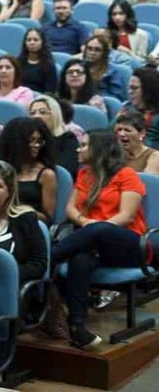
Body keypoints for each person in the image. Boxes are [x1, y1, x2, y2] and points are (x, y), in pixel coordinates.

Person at [52, 130, 148, 350]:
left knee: (100, 229)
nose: (78, 149)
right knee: (79, 259)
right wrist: (86, 223)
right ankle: (77, 327)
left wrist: (93, 227)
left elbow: (127, 216)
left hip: (129, 245)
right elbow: (70, 209)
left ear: (99, 149)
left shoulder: (127, 174)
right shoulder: (85, 173)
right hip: (94, 243)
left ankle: (49, 256)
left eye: (84, 145)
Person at [0, 161, 49, 286]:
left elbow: (38, 264)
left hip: (7, 287)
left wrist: (5, 274)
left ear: (9, 192)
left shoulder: (26, 219)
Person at [0, 117, 58, 222]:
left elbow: (47, 218)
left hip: (27, 225)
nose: (36, 145)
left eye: (39, 141)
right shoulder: (0, 169)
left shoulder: (46, 175)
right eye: (31, 141)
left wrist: (23, 210)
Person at [29, 96, 82, 178]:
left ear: (55, 115)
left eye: (42, 112)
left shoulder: (67, 139)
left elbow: (67, 170)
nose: (36, 116)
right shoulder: (26, 139)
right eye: (32, 113)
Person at [81, 34, 126, 102]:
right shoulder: (79, 67)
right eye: (89, 49)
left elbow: (115, 98)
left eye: (97, 50)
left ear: (104, 53)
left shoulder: (113, 71)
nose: (92, 53)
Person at [18, 28, 57, 95]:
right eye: (29, 40)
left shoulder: (49, 65)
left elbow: (50, 92)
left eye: (35, 40)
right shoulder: (18, 62)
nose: (32, 42)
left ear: (42, 42)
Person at [125, 68, 159, 147]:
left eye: (134, 88)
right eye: (129, 88)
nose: (130, 92)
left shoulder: (156, 118)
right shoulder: (126, 109)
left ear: (148, 90)